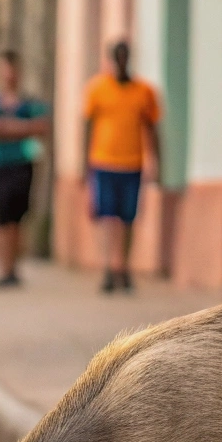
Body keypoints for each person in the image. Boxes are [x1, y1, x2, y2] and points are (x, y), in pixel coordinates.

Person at [82, 40, 163, 293]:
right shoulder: (97, 89)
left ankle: (124, 268)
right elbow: (87, 125)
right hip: (103, 161)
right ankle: (108, 268)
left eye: (124, 57)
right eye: (116, 57)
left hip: (132, 163)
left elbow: (152, 128)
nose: (120, 61)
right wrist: (84, 161)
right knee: (107, 217)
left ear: (129, 59)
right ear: (110, 60)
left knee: (128, 218)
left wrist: (158, 161)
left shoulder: (144, 91)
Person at [0, 51, 51, 288]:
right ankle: (3, 268)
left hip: (23, 164)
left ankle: (13, 268)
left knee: (18, 217)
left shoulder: (30, 102)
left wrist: (4, 127)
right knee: (1, 216)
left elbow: (41, 127)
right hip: (0, 165)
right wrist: (21, 127)